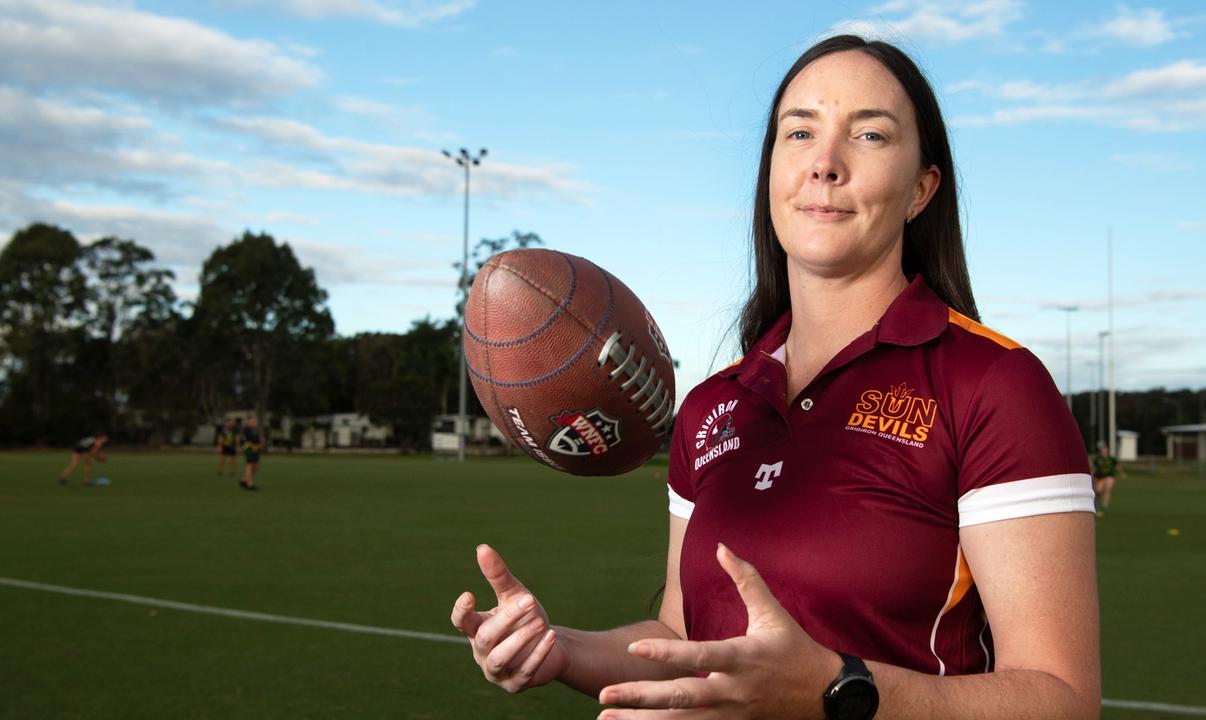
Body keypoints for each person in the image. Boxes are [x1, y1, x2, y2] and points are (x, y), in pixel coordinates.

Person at [450, 35, 1100, 720]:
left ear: (921, 189)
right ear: (770, 174)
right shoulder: (711, 406)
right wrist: (558, 649)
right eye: (800, 133)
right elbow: (682, 637)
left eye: (871, 134)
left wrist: (836, 689)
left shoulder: (993, 384)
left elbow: (1061, 699)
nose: (825, 164)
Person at [1092, 443, 1124, 517]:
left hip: (1109, 476)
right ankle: (1097, 504)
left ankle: (1104, 505)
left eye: (1105, 450)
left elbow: (1117, 466)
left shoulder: (1111, 459)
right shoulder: (1097, 459)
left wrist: (1122, 473)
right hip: (1100, 477)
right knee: (1098, 491)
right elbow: (1093, 468)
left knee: (1108, 488)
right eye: (1102, 450)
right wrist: (1092, 475)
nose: (1104, 451)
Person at [240, 415, 261, 491]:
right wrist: (246, 449)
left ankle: (244, 480)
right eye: (251, 421)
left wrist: (259, 446)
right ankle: (250, 484)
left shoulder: (255, 430)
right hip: (249, 450)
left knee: (255, 467)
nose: (253, 423)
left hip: (256, 450)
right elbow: (243, 442)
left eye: (254, 421)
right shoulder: (245, 430)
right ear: (248, 422)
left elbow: (258, 440)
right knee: (249, 465)